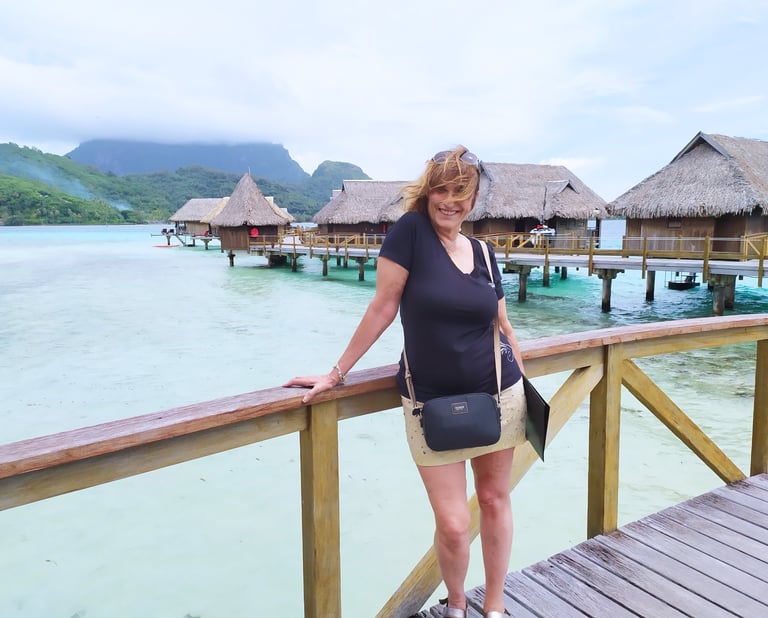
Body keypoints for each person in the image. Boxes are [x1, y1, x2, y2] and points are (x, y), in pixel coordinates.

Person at [283, 145, 527, 618]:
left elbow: (504, 326)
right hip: (429, 402)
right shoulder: (410, 233)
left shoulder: (483, 252)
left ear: (473, 199)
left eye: (461, 192)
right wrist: (336, 373)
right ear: (427, 191)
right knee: (453, 523)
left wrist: (527, 391)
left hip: (500, 394)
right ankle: (457, 604)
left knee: (495, 501)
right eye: (442, 189)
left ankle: (495, 607)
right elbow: (382, 307)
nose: (450, 200)